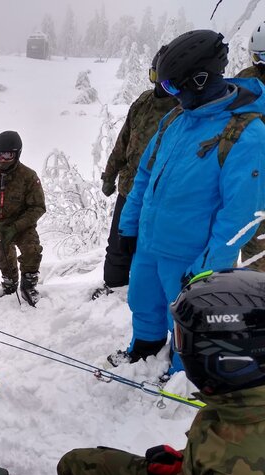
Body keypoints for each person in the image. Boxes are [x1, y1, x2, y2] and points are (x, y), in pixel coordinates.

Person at [109, 30, 265, 375]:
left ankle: (184, 371)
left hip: (190, 256)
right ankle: (145, 349)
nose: (170, 97)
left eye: (173, 88)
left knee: (187, 318)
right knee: (143, 302)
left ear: (201, 79)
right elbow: (145, 177)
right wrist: (129, 226)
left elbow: (241, 216)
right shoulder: (176, 120)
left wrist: (207, 268)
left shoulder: (246, 134)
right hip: (150, 244)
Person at [57, 268, 265, 475]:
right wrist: (185, 463)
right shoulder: (243, 399)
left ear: (226, 361)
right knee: (79, 463)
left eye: (182, 338)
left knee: (74, 467)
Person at [93, 52, 178, 300]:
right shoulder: (143, 102)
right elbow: (123, 142)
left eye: (165, 81)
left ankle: (153, 294)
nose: (158, 86)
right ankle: (115, 289)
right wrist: (109, 176)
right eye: (154, 77)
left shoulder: (184, 109)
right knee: (118, 242)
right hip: (129, 189)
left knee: (153, 246)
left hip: (163, 195)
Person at [0, 131, 46, 306]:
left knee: (32, 251)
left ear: (17, 154)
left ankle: (28, 285)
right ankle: (9, 282)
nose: (3, 159)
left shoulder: (28, 176)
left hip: (23, 226)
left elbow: (38, 207)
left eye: (8, 155)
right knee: (4, 258)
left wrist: (16, 227)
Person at [235, 21, 265, 272]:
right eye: (257, 57)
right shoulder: (246, 81)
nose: (259, 63)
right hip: (250, 176)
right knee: (254, 248)